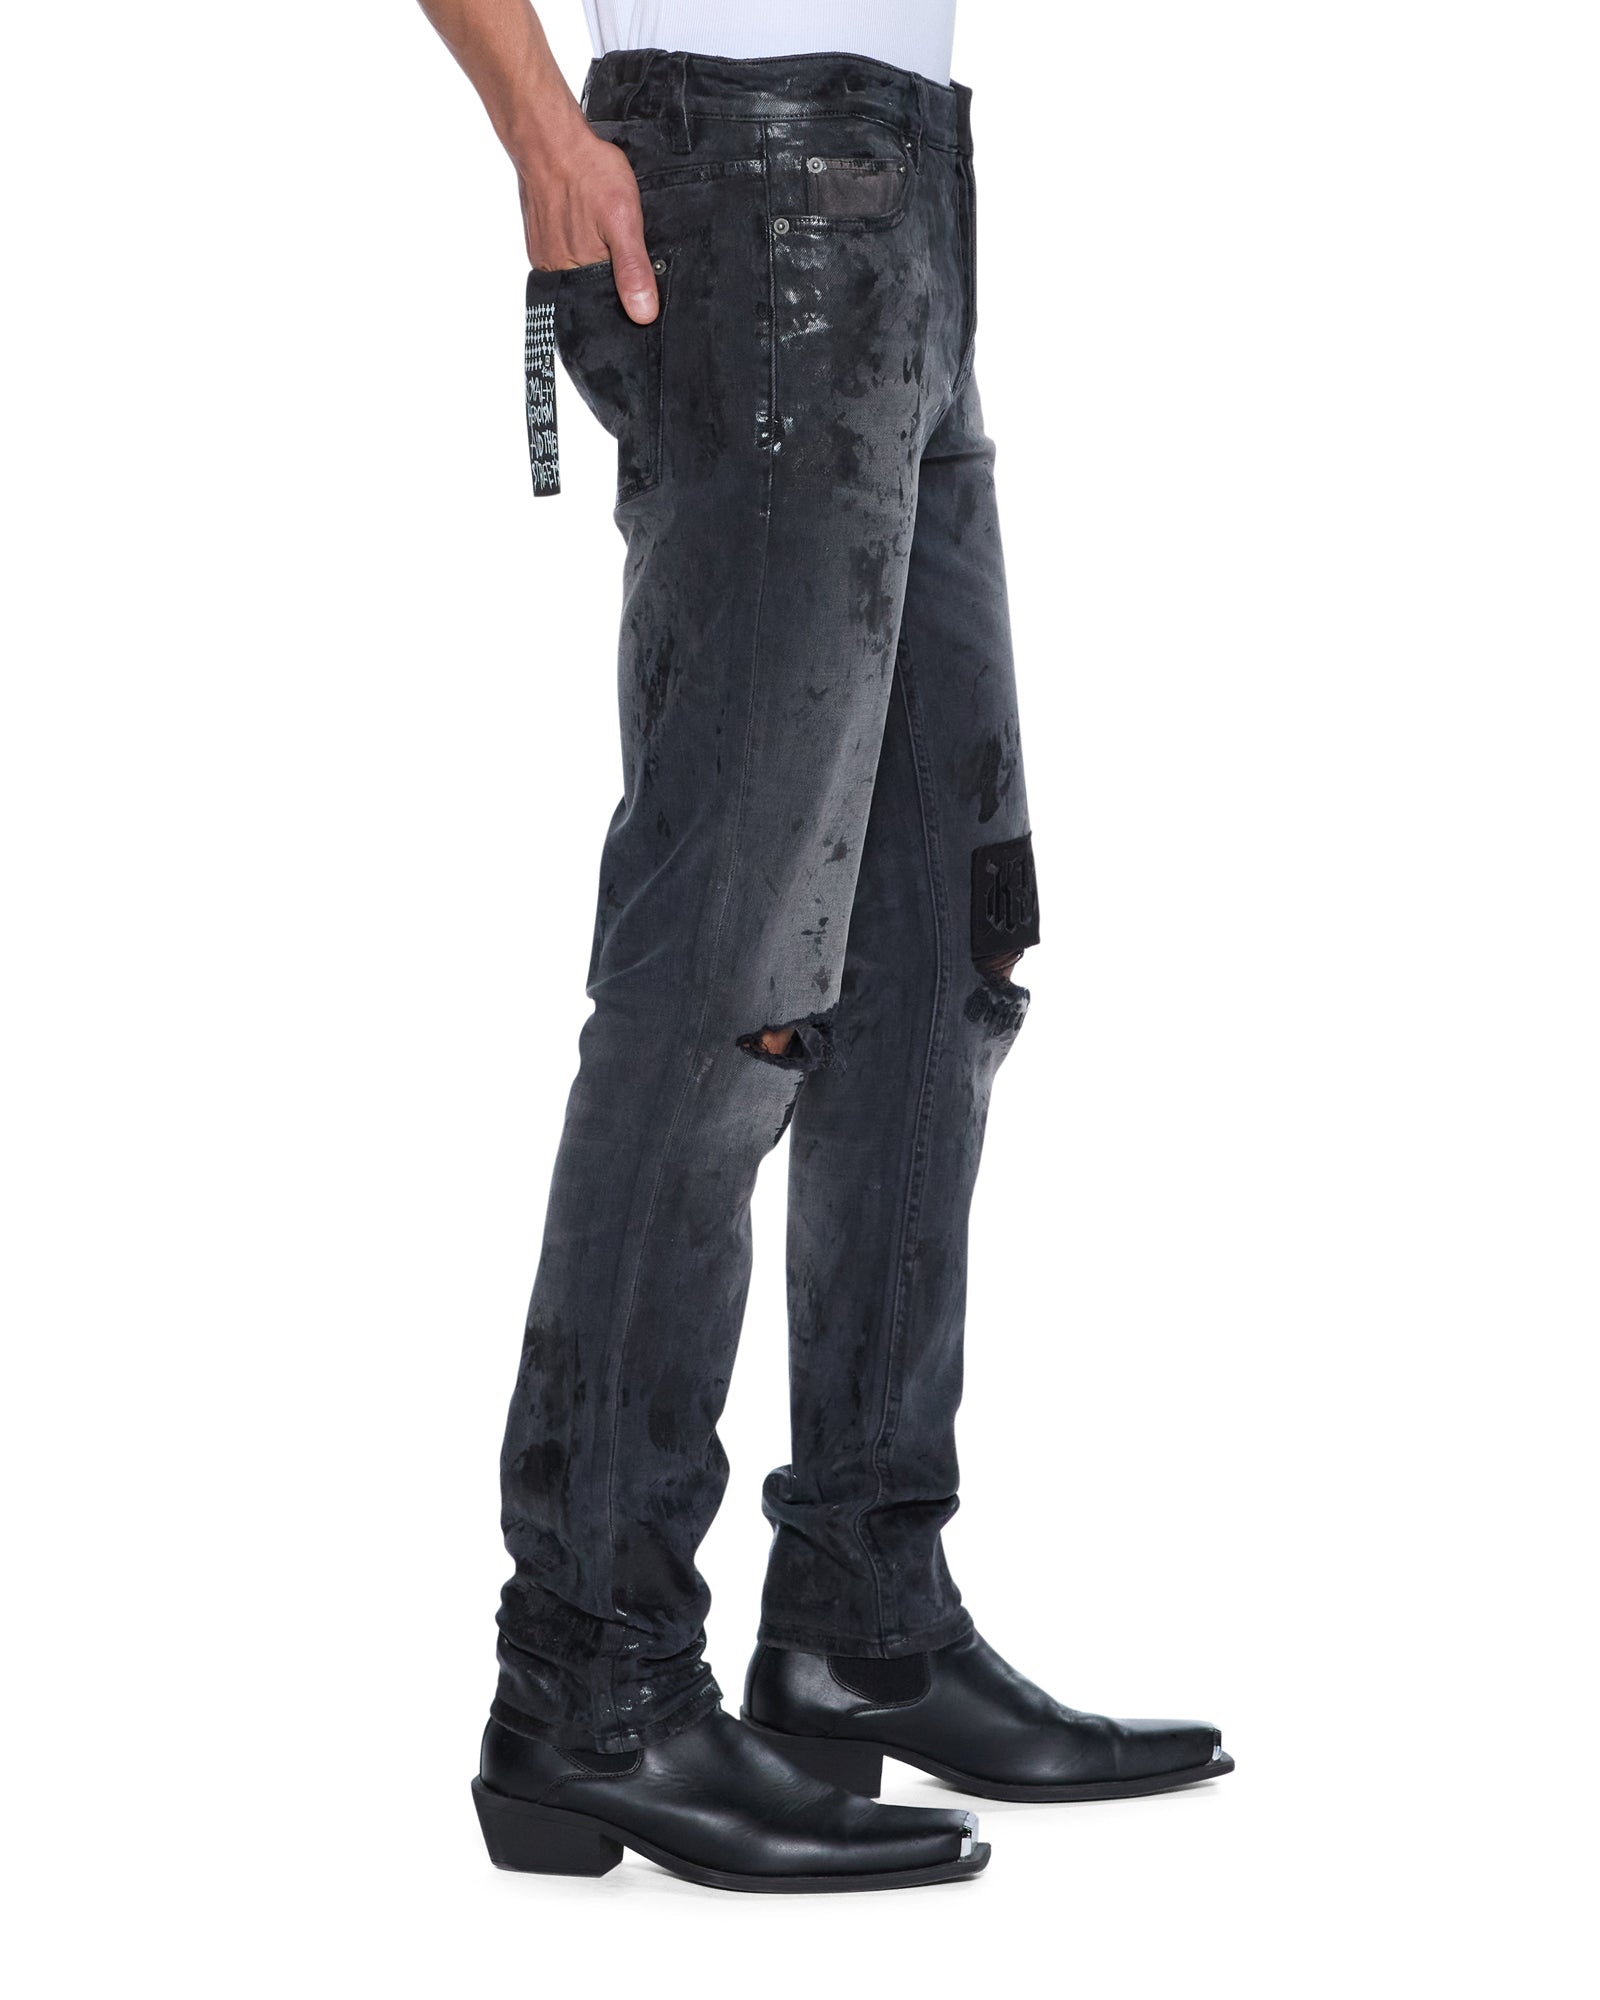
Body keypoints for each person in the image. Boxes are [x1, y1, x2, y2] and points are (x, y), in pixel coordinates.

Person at [417, 0, 1232, 1893]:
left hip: (915, 191)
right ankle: (590, 1675)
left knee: (938, 956)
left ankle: (865, 1607)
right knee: (726, 978)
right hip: (745, 183)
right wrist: (536, 124)